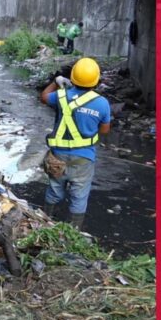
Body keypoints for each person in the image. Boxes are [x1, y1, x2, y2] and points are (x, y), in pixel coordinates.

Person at [39, 57, 111, 230]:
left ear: (73, 77)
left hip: (58, 156)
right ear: (96, 80)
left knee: (55, 189)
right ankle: (73, 232)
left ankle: (44, 222)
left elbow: (43, 97)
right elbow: (104, 130)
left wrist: (56, 82)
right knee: (79, 195)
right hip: (84, 159)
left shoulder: (61, 96)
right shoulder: (102, 103)